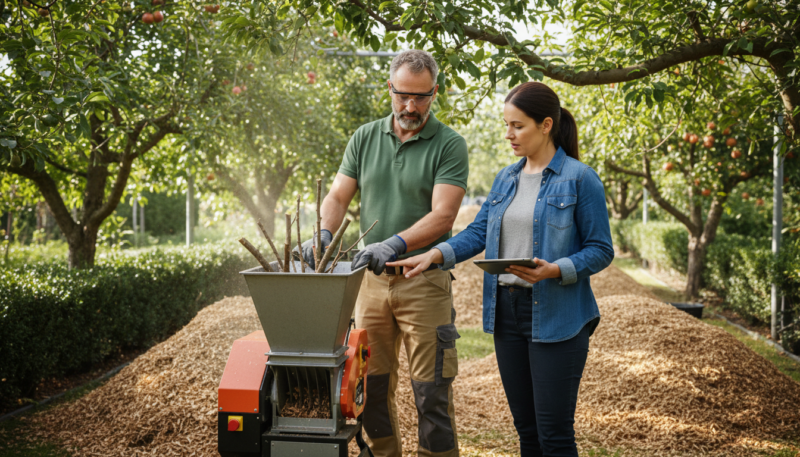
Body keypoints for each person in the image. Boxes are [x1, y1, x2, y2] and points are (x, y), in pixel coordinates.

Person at [387, 81, 614, 457]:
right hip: (507, 315)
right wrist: (435, 254)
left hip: (558, 317)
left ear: (545, 125)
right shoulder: (506, 179)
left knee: (554, 434)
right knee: (526, 430)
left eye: (517, 126)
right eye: (506, 125)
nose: (509, 134)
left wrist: (555, 270)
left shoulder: (579, 179)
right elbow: (478, 231)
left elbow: (601, 250)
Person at [298, 50, 468, 457]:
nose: (410, 106)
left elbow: (443, 215)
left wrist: (395, 243)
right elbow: (338, 194)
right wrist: (324, 232)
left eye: (421, 97)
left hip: (423, 281)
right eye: (402, 95)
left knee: (432, 393)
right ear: (389, 88)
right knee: (369, 388)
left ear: (435, 92)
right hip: (370, 285)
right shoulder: (365, 137)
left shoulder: (449, 144)